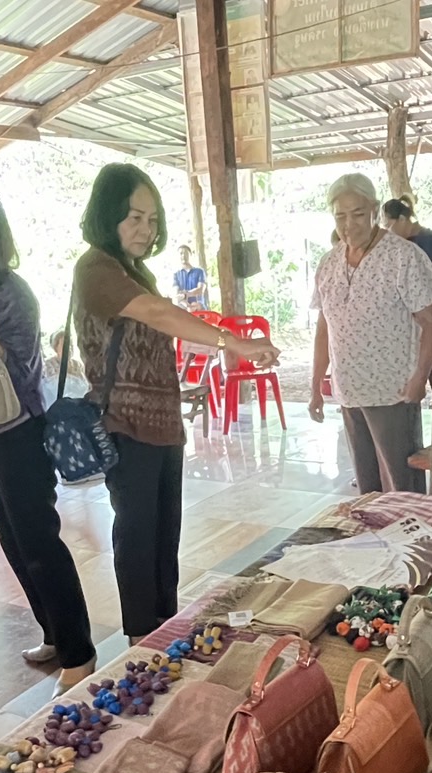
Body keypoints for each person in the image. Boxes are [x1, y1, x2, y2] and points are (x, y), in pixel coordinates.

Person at [74, 164, 278, 641]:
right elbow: (157, 313)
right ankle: (142, 641)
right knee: (139, 536)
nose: (146, 230)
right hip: (127, 425)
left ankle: (163, 630)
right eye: (134, 218)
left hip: (162, 425)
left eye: (152, 219)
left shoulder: (133, 269)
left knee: (164, 536)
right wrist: (233, 342)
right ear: (107, 217)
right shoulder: (96, 268)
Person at [0, 179, 96, 689]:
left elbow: (18, 372)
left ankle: (79, 651)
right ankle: (53, 632)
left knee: (40, 544)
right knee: (12, 543)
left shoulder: (10, 294)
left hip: (23, 434)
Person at [310, 174, 432, 494]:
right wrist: (315, 386)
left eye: (357, 213)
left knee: (402, 481)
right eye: (340, 215)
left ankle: (411, 541)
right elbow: (324, 326)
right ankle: (373, 541)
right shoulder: (328, 263)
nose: (348, 224)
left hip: (393, 389)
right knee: (367, 485)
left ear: (374, 210)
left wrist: (420, 377)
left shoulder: (403, 257)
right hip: (349, 389)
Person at [381, 197, 432, 266]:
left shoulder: (429, 241)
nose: (387, 232)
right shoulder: (404, 243)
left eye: (388, 226)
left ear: (402, 219)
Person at [172, 245, 209, 311]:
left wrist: (185, 295)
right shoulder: (176, 274)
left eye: (186, 253)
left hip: (199, 307)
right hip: (183, 308)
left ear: (191, 255)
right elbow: (176, 294)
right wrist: (187, 306)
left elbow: (200, 290)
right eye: (181, 253)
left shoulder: (199, 271)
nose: (183, 256)